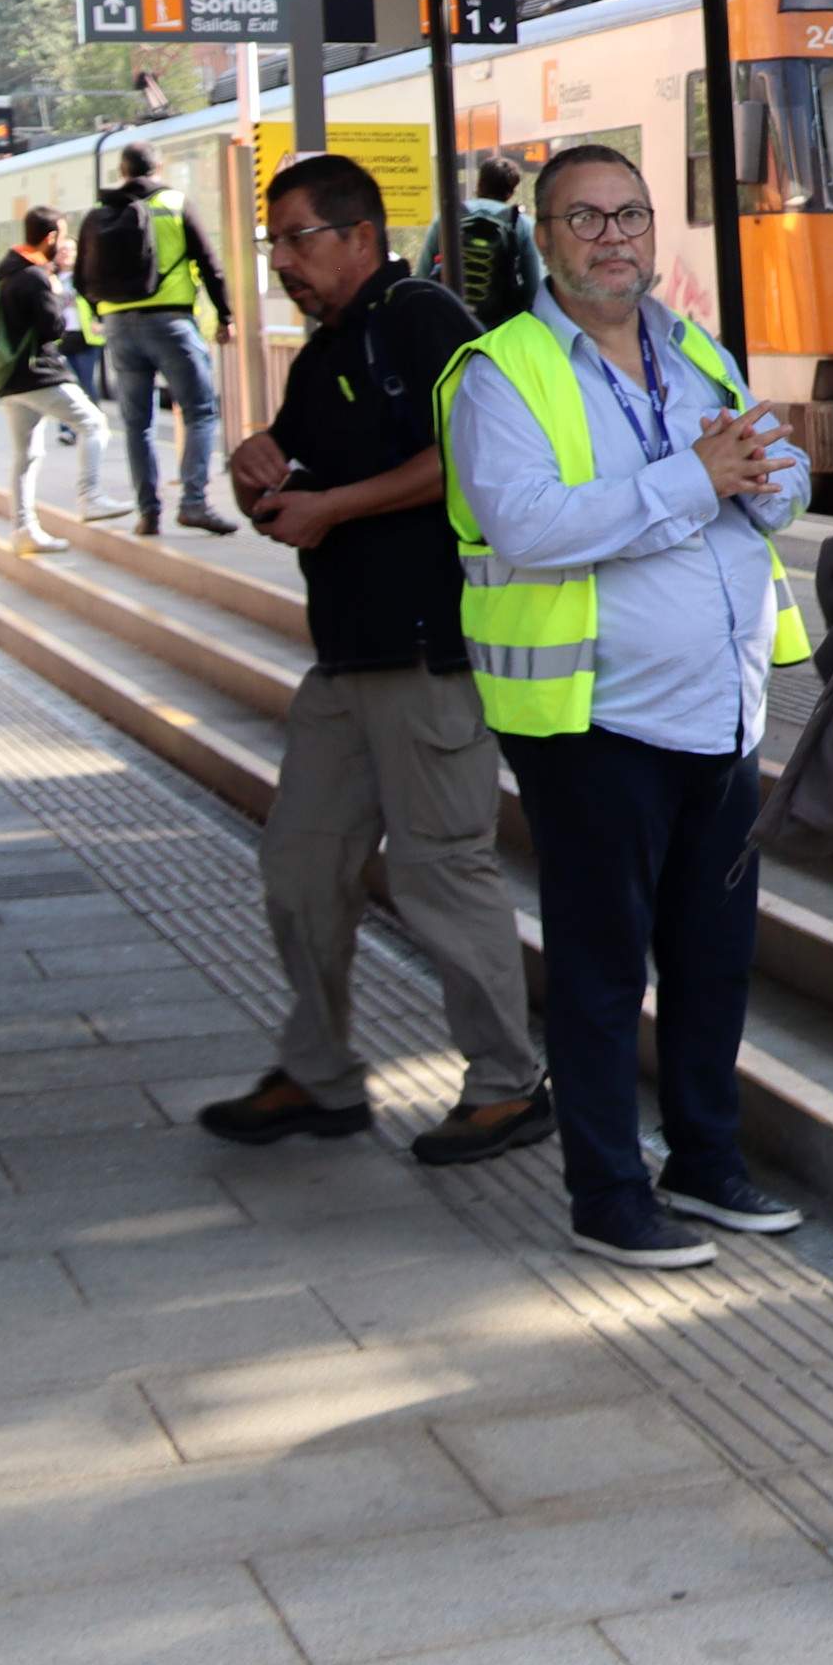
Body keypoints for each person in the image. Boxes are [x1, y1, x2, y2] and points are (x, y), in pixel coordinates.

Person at [438, 144, 813, 1269]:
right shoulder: (499, 371)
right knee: (604, 972)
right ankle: (608, 1191)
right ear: (543, 240)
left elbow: (776, 473)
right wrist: (698, 480)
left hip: (723, 714)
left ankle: (704, 1161)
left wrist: (760, 478)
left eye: (632, 216)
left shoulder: (698, 350)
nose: (614, 237)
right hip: (596, 722)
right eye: (585, 218)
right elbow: (533, 526)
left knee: (714, 956)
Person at [196, 154, 548, 1167]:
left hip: (430, 654)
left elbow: (471, 457)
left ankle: (507, 1084)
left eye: (296, 241)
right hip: (344, 660)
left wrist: (332, 506)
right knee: (302, 865)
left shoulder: (423, 317)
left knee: (443, 873)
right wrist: (258, 468)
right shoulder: (324, 356)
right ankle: (319, 1072)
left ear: (358, 234)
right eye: (271, 247)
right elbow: (297, 489)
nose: (281, 265)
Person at [82, 140, 236, 538]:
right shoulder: (174, 203)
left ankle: (148, 513)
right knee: (201, 411)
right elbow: (209, 263)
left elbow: (82, 278)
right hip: (170, 323)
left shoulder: (102, 212)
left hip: (118, 326)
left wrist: (103, 312)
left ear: (122, 171)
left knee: (138, 424)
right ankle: (194, 503)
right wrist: (225, 316)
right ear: (159, 167)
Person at [0, 208, 119, 553]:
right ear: (50, 238)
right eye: (61, 235)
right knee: (94, 424)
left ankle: (23, 529)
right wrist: (57, 294)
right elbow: (51, 329)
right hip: (40, 375)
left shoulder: (6, 273)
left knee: (26, 455)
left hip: (11, 381)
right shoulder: (35, 276)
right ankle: (90, 496)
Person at [450, 152, 537, 326]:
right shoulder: (521, 224)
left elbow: (423, 273)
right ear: (511, 191)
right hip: (501, 328)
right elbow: (533, 285)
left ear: (480, 183)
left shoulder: (449, 218)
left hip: (452, 322)